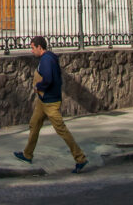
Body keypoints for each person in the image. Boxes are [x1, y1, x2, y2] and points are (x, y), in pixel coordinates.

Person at [13, 35, 88, 173]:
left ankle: (80, 158)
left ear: (39, 47)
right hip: (43, 101)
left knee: (61, 130)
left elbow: (48, 79)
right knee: (34, 124)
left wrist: (38, 87)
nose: (32, 51)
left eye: (33, 48)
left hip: (50, 101)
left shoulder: (46, 60)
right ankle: (27, 154)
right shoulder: (49, 58)